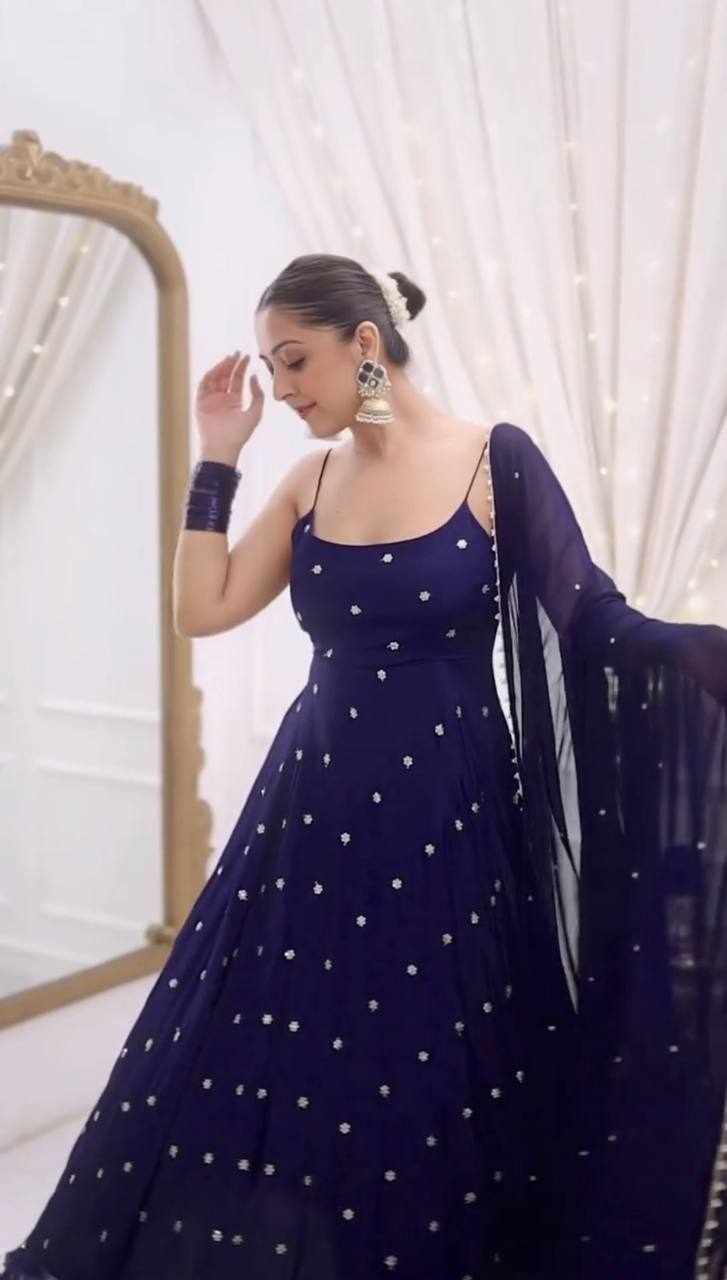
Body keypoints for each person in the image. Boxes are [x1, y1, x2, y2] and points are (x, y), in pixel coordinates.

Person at [4, 254, 727, 1280]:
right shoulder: (311, 480)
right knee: (285, 1052)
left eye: (295, 361)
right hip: (310, 809)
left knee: (435, 1057)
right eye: (270, 365)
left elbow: (596, 621)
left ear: (367, 345)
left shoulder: (490, 461)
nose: (281, 387)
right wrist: (218, 455)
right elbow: (202, 607)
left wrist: (709, 658)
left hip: (451, 814)